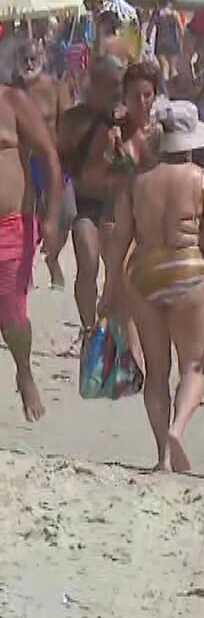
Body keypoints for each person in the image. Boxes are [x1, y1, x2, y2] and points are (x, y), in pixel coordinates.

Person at [103, 102, 204, 473]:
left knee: (157, 372)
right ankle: (178, 430)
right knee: (193, 365)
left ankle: (162, 455)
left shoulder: (139, 181)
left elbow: (120, 239)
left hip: (145, 272)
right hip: (188, 271)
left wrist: (110, 285)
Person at [60, 62, 146, 338]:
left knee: (118, 269)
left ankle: (117, 324)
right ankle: (89, 327)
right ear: (92, 85)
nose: (114, 91)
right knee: (88, 263)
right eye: (108, 84)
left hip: (114, 203)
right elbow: (58, 162)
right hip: (84, 202)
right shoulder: (74, 120)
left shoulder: (125, 121)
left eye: (117, 85)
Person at [0, 81, 60, 420]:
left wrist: (51, 217)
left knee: (12, 316)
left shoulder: (12, 100)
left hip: (12, 225)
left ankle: (24, 370)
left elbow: (49, 156)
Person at [146, 0, 187, 84]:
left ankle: (164, 86)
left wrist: (147, 38)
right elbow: (181, 29)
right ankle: (174, 87)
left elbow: (150, 27)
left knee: (163, 67)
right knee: (172, 68)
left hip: (160, 42)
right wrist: (182, 42)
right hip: (173, 42)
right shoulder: (174, 14)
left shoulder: (157, 14)